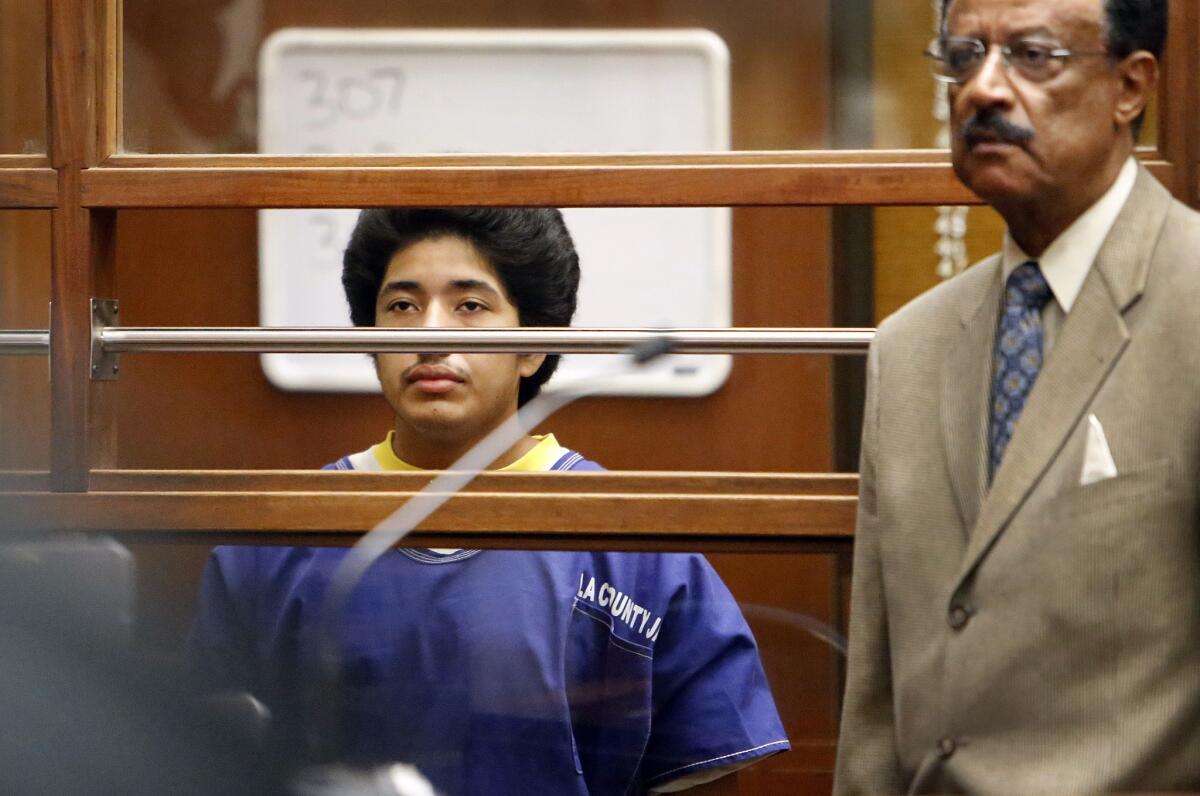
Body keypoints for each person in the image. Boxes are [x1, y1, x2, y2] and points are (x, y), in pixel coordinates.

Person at [190, 208, 789, 795]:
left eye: (469, 306)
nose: (430, 335)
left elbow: (702, 770)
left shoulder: (635, 543)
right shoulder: (277, 538)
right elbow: (204, 756)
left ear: (533, 346)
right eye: (402, 306)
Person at [835, 0, 1200, 792]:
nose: (984, 90)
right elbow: (874, 705)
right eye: (964, 57)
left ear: (1130, 87)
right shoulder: (909, 347)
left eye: (1033, 56)